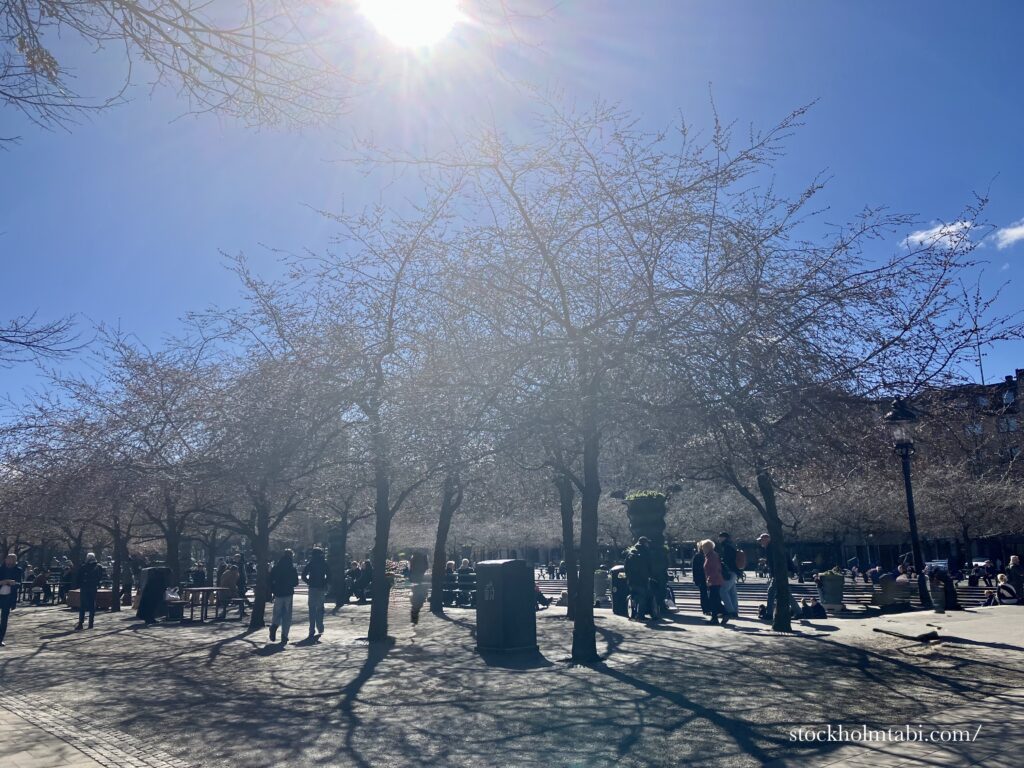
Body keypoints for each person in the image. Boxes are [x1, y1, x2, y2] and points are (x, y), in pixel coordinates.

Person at [269, 550, 299, 644]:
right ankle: (284, 635)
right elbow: (296, 582)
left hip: (278, 593)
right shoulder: (292, 568)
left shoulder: (276, 567)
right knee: (287, 615)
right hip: (288, 593)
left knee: (277, 613)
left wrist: (273, 590)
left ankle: (274, 625)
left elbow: (270, 579)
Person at [302, 547, 331, 639]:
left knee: (312, 608)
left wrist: (308, 581)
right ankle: (320, 625)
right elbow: (329, 575)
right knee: (320, 607)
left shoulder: (311, 563)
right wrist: (325, 582)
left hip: (312, 588)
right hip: (321, 587)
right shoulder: (324, 563)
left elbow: (303, 575)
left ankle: (311, 629)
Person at [625, 537, 654, 621]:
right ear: (644, 543)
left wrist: (628, 577)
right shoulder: (645, 552)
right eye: (647, 543)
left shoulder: (631, 553)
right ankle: (640, 615)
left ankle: (632, 612)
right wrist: (650, 575)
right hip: (642, 579)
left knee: (635, 594)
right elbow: (649, 566)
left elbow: (626, 566)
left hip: (631, 579)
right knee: (642, 596)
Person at [75, 553, 105, 630]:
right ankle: (91, 623)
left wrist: (80, 584)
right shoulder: (98, 567)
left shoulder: (84, 567)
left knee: (83, 605)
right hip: (93, 587)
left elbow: (78, 577)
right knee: (92, 605)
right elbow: (100, 577)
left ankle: (81, 623)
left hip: (85, 587)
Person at [701, 540, 726, 625]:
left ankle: (724, 614)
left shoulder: (711, 556)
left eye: (703, 547)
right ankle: (716, 617)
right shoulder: (711, 555)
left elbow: (714, 569)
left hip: (714, 580)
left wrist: (709, 580)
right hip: (715, 579)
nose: (702, 549)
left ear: (708, 547)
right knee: (715, 599)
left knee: (713, 599)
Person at [0, 553, 22, 647]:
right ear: (5, 560)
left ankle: (0, 639)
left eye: (12, 559)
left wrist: (14, 583)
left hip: (8, 597)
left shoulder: (18, 570)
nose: (10, 561)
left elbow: (19, 583)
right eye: (8, 559)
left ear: (15, 561)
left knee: (4, 619)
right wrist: (1, 582)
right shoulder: (0, 569)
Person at [717, 532, 739, 620]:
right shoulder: (732, 545)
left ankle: (730, 611)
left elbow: (727, 560)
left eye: (720, 537)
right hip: (735, 571)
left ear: (723, 538)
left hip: (729, 572)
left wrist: (721, 562)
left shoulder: (726, 546)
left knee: (722, 591)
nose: (719, 539)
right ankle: (735, 611)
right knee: (732, 592)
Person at [757, 533, 776, 623]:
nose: (760, 542)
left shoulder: (770, 548)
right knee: (786, 593)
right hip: (776, 574)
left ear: (766, 540)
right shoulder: (770, 548)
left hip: (777, 574)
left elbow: (773, 562)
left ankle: (769, 614)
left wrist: (766, 562)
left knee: (771, 592)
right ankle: (798, 611)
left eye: (761, 540)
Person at [691, 541, 709, 615]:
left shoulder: (699, 556)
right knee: (704, 594)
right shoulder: (700, 556)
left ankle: (706, 609)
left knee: (704, 593)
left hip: (702, 577)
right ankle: (706, 609)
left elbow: (694, 569)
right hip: (702, 578)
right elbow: (695, 569)